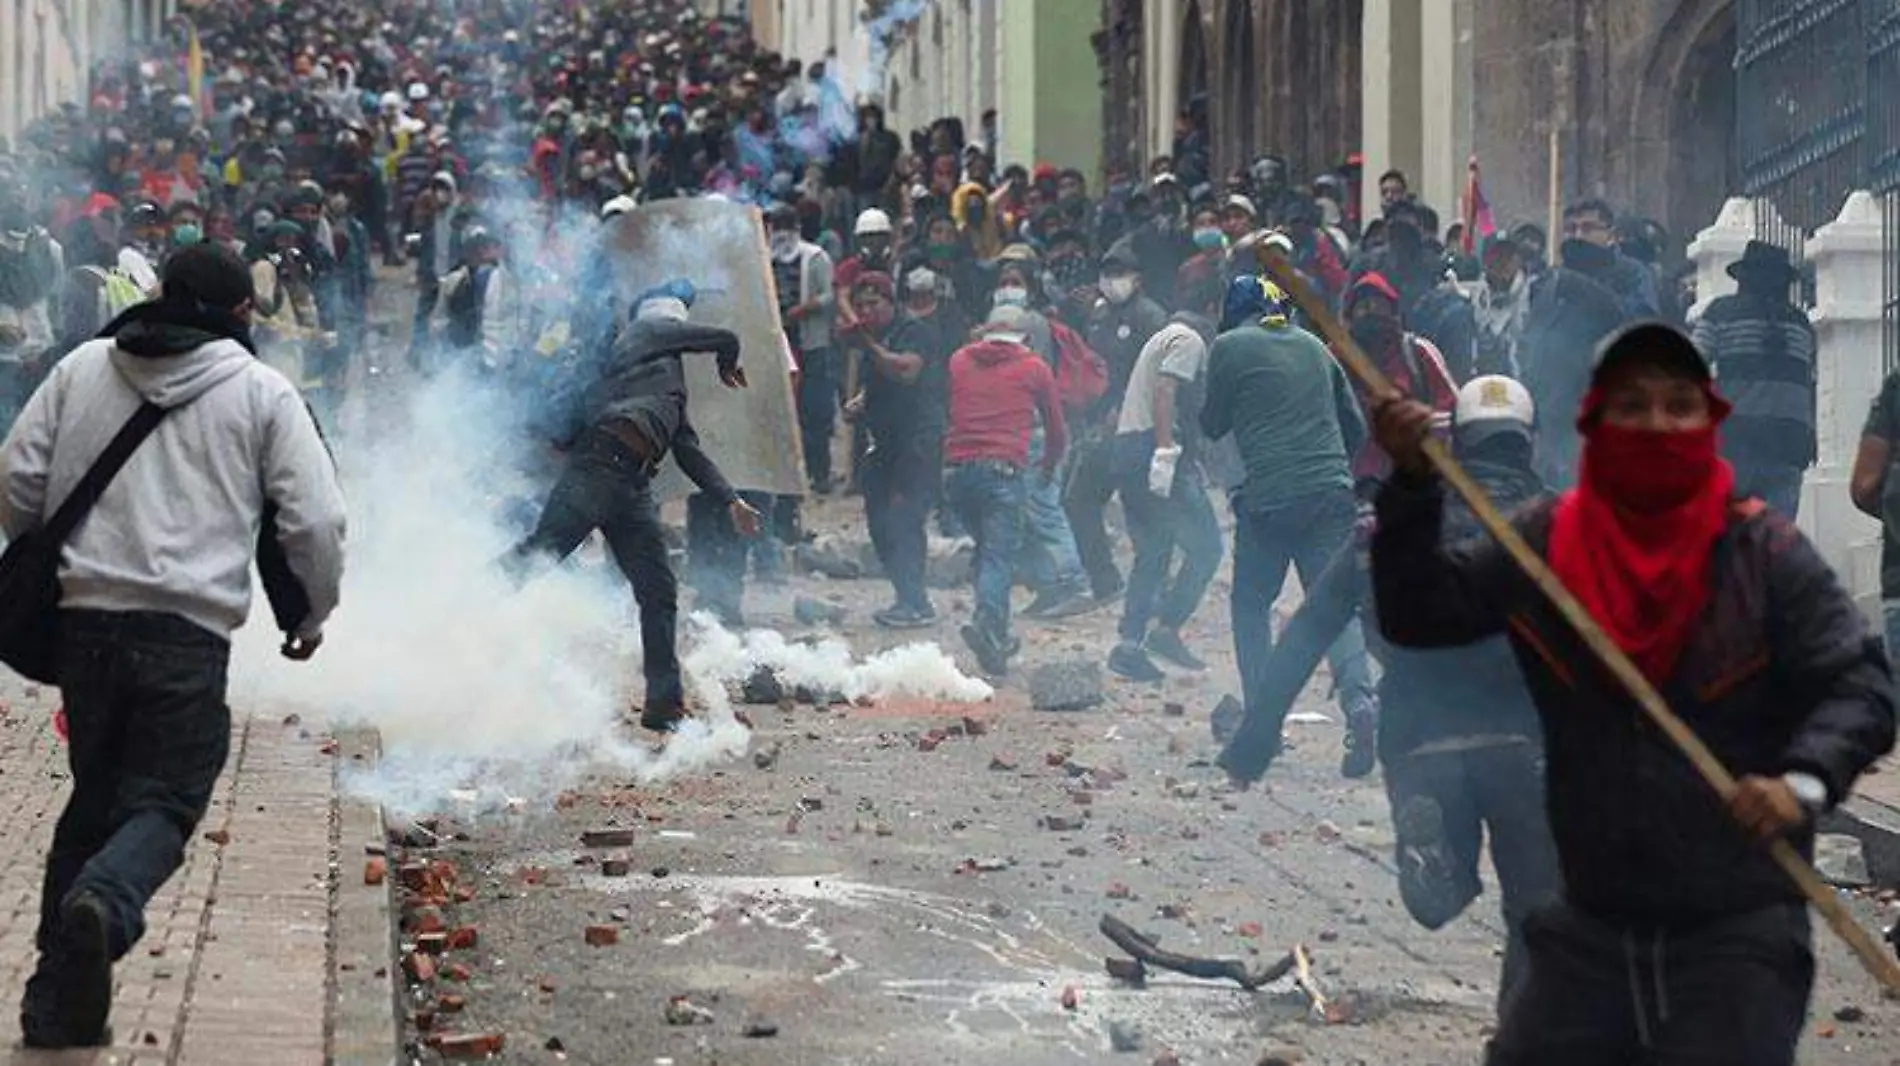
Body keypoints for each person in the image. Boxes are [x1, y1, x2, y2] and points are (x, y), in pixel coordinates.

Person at [1370, 322, 1895, 1066]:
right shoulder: (1545, 542)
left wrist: (1802, 781)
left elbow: (1861, 682)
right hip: (1592, 929)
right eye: (1633, 405)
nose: (1656, 424)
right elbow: (1419, 616)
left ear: (1708, 421)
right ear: (1595, 423)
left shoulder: (1761, 553)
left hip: (1735, 933)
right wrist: (1412, 487)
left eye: (1678, 405)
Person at [1, 243, 345, 1048]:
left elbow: (17, 486)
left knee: (93, 806)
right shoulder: (262, 392)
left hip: (83, 628)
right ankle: (110, 903)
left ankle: (61, 1012)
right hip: (186, 635)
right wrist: (310, 615)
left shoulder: (81, 369)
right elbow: (314, 520)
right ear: (241, 315)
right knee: (163, 799)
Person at [506, 281, 761, 733]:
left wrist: (731, 501)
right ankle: (458, 614)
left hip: (633, 486)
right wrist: (728, 361)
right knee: (537, 556)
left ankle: (664, 704)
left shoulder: (668, 385)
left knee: (658, 591)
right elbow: (725, 338)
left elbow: (689, 452)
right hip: (597, 468)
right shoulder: (641, 336)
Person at [1200, 275, 1379, 772]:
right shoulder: (1317, 348)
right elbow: (1356, 428)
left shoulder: (1229, 346)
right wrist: (1328, 473)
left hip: (1269, 499)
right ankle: (1361, 701)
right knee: (1332, 606)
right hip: (1330, 492)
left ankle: (1262, 724)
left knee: (1251, 605)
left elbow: (1211, 423)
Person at [945, 303, 1068, 677]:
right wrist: (1047, 468)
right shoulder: (1034, 368)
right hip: (1002, 473)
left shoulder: (959, 360)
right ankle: (991, 629)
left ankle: (996, 637)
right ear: (1026, 338)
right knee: (998, 556)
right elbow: (1057, 430)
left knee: (989, 552)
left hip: (957, 475)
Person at [1107, 311, 1223, 682]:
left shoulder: (1160, 339)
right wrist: (1165, 449)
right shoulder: (1188, 340)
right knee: (1207, 546)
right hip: (1150, 449)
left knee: (1153, 552)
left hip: (1129, 450)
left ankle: (1131, 644)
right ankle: (1164, 629)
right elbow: (1166, 389)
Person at [848, 270, 945, 627]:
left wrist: (869, 346)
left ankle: (915, 602)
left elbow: (906, 371)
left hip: (916, 442)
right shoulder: (875, 337)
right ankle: (904, 595)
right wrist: (859, 402)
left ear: (891, 302)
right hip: (883, 444)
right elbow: (872, 383)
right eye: (860, 305)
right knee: (879, 521)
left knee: (905, 519)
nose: (865, 311)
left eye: (873, 304)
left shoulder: (914, 331)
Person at [1693, 240, 1816, 518]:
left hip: (1736, 443)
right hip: (1788, 447)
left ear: (1743, 278)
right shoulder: (1801, 323)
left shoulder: (1721, 313)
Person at [768, 203, 838, 493]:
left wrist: (804, 309)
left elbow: (829, 296)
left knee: (815, 411)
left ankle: (819, 473)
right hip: (778, 345)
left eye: (787, 226)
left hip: (812, 343)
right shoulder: (766, 259)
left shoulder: (815, 257)